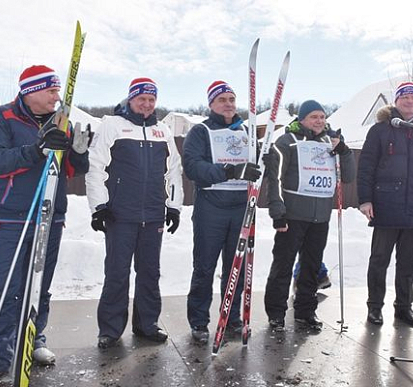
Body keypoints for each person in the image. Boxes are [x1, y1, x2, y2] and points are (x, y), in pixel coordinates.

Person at [0, 65, 90, 386]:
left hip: (50, 217)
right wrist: (36, 149)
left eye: (58, 90)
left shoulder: (60, 123)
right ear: (31, 91)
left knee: (38, 286)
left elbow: (72, 170)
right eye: (51, 90)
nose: (57, 96)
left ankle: (31, 340)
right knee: (3, 289)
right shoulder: (2, 117)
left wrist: (78, 150)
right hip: (8, 218)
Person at [85, 78, 183, 349]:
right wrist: (99, 207)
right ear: (130, 99)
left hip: (153, 214)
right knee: (117, 272)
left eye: (152, 100)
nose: (147, 104)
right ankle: (110, 329)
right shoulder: (112, 125)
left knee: (150, 272)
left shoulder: (162, 130)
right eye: (142, 98)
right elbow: (95, 167)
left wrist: (173, 206)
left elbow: (174, 170)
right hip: (120, 214)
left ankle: (147, 325)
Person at [357, 82, 413, 327]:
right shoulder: (381, 130)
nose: (409, 102)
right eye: (405, 98)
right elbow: (366, 167)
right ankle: (374, 307)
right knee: (379, 260)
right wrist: (365, 199)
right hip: (387, 203)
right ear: (396, 101)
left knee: (408, 262)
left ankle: (404, 308)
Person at [264, 100, 355, 331]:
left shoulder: (330, 142)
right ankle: (276, 313)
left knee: (311, 267)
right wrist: (278, 212)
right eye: (314, 116)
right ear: (302, 118)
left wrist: (343, 151)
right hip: (293, 215)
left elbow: (348, 177)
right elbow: (275, 179)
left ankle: (306, 311)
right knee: (283, 266)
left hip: (320, 217)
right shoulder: (287, 141)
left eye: (322, 117)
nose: (319, 121)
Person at [183, 80, 261, 343]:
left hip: (240, 207)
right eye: (222, 100)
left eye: (231, 99)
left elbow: (260, 165)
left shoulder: (245, 131)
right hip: (211, 206)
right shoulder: (201, 131)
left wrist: (265, 158)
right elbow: (194, 168)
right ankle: (199, 321)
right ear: (212, 104)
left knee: (236, 267)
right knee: (205, 266)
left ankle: (231, 318)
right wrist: (229, 171)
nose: (228, 104)